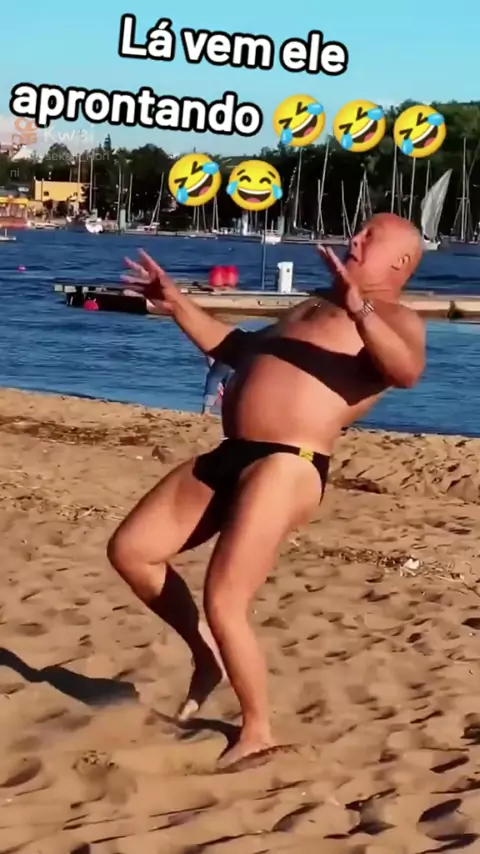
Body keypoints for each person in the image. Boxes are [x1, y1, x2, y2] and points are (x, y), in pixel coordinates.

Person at [108, 213, 425, 771]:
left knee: (225, 598)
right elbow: (238, 349)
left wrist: (361, 309)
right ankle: (206, 656)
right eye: (357, 231)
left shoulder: (396, 317)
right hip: (234, 452)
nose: (354, 239)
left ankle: (257, 730)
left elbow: (405, 371)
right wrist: (176, 303)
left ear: (400, 261)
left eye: (369, 237)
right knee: (132, 550)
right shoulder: (310, 306)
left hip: (289, 463)